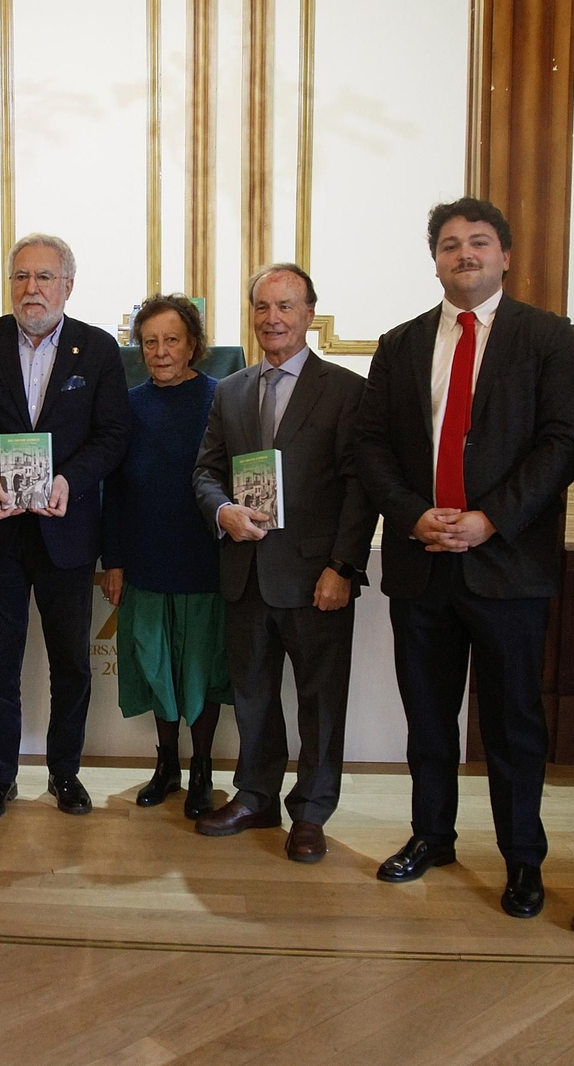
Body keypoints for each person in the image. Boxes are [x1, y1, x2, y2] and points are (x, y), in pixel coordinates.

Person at [356, 198, 574, 918]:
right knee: (428, 717)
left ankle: (522, 858)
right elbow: (371, 446)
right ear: (434, 260)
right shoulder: (399, 345)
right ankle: (432, 835)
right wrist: (412, 515)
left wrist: (493, 519)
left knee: (514, 722)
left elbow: (563, 441)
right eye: (450, 244)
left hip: (507, 563)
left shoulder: (547, 338)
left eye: (479, 242)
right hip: (422, 559)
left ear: (505, 256)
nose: (464, 254)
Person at [0, 233, 131, 821]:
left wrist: (71, 479)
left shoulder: (97, 349)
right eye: (21, 276)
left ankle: (64, 773)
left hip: (66, 534)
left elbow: (113, 435)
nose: (32, 288)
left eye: (44, 277)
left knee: (71, 664)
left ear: (67, 285)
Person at [191, 263, 377, 862]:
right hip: (245, 571)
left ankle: (312, 812)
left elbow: (360, 487)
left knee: (321, 701)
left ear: (309, 314)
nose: (273, 318)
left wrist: (343, 567)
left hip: (317, 577)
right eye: (263, 307)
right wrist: (222, 512)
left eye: (286, 306)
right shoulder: (231, 390)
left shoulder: (346, 390)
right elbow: (206, 472)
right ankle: (256, 796)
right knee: (252, 695)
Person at [101, 294, 232, 818]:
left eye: (171, 340)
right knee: (156, 668)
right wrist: (113, 561)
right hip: (146, 559)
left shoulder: (222, 398)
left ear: (193, 344)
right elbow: (114, 490)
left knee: (201, 670)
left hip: (206, 560)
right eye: (150, 342)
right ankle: (167, 765)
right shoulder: (127, 405)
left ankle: (202, 769)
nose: (160, 352)